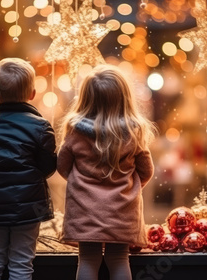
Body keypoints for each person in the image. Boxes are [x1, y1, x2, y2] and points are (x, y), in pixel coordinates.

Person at [57, 64, 156, 280]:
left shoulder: (75, 132)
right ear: (125, 98)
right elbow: (146, 171)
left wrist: (82, 183)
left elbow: (62, 167)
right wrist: (128, 187)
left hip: (84, 209)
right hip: (122, 210)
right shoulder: (134, 132)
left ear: (85, 99)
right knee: (120, 259)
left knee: (87, 259)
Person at [0, 58, 57, 280]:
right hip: (29, 208)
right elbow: (48, 168)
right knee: (21, 263)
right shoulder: (41, 127)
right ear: (32, 93)